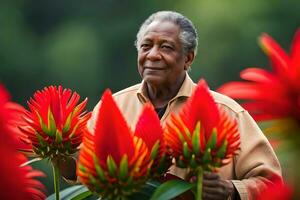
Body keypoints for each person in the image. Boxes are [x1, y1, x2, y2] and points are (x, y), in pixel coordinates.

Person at [71, 11, 282, 200]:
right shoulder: (113, 106)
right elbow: (83, 175)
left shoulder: (226, 112)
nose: (153, 55)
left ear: (188, 59)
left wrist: (232, 190)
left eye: (166, 47)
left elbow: (272, 183)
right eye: (146, 46)